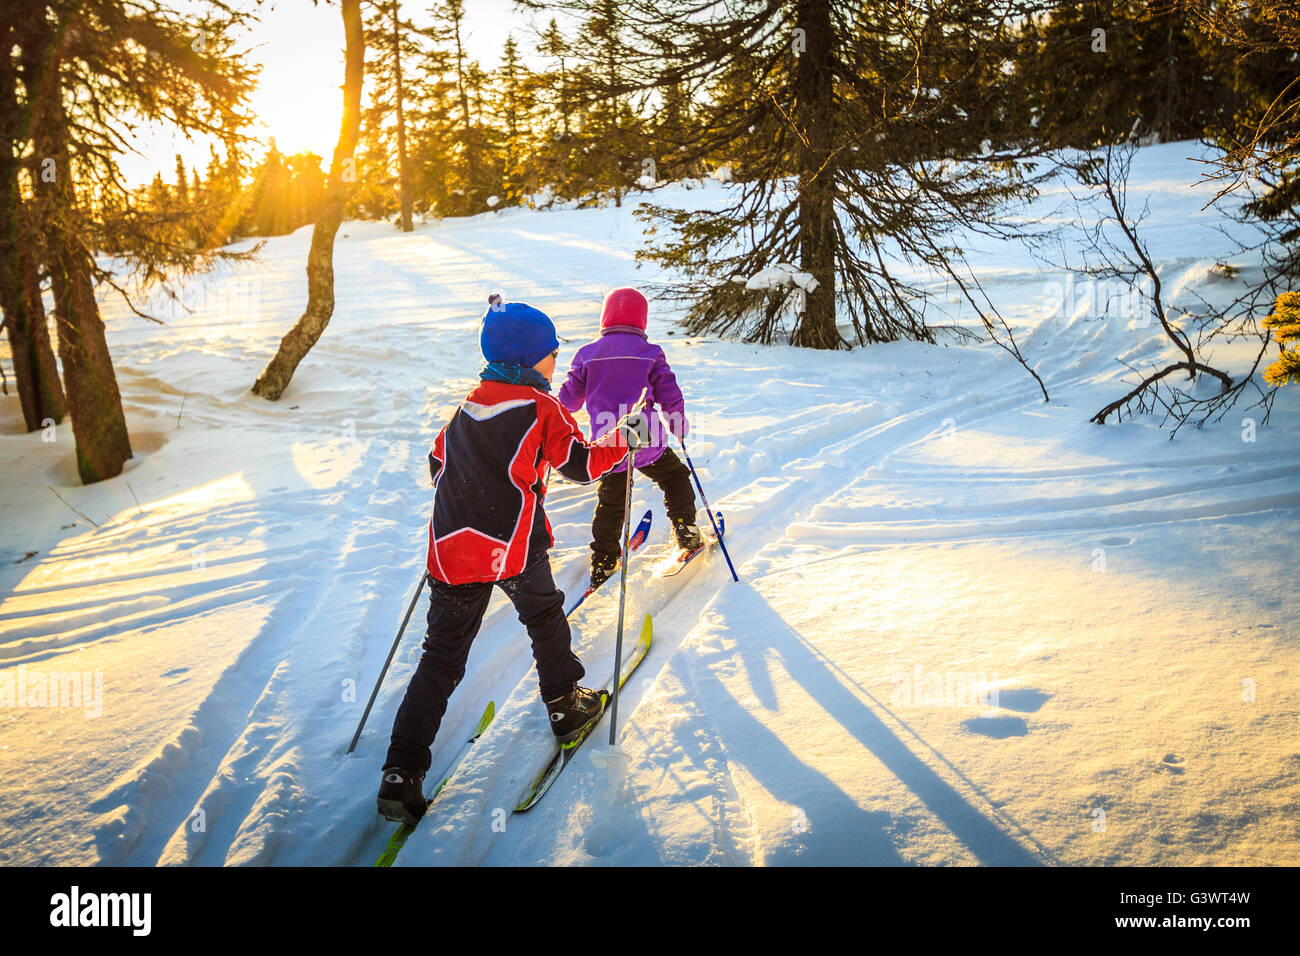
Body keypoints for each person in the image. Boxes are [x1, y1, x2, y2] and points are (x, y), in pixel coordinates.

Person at [377, 298, 645, 825]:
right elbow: (582, 465)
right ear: (529, 361)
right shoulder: (542, 410)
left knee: (440, 657)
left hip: (451, 549)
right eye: (551, 354)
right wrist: (625, 439)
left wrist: (470, 486)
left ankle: (401, 773)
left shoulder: (468, 405)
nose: (555, 362)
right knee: (544, 617)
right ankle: (566, 705)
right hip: (512, 548)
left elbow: (437, 462)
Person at [558, 287, 703, 588]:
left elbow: (568, 402)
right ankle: (686, 531)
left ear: (605, 318)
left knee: (612, 501)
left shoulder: (587, 354)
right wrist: (677, 423)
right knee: (675, 477)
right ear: (642, 321)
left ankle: (604, 561)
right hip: (645, 434)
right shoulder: (650, 353)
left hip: (610, 440)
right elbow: (669, 393)